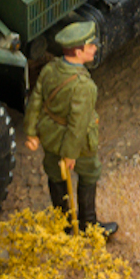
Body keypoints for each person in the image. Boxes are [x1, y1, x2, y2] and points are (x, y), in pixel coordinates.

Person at [22, 20, 118, 238]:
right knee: (89, 172)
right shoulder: (84, 86)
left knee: (55, 174)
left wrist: (31, 132)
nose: (95, 48)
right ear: (78, 52)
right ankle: (88, 225)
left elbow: (35, 100)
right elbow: (78, 126)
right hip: (77, 145)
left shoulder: (50, 69)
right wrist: (70, 155)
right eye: (90, 45)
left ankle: (63, 224)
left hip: (50, 135)